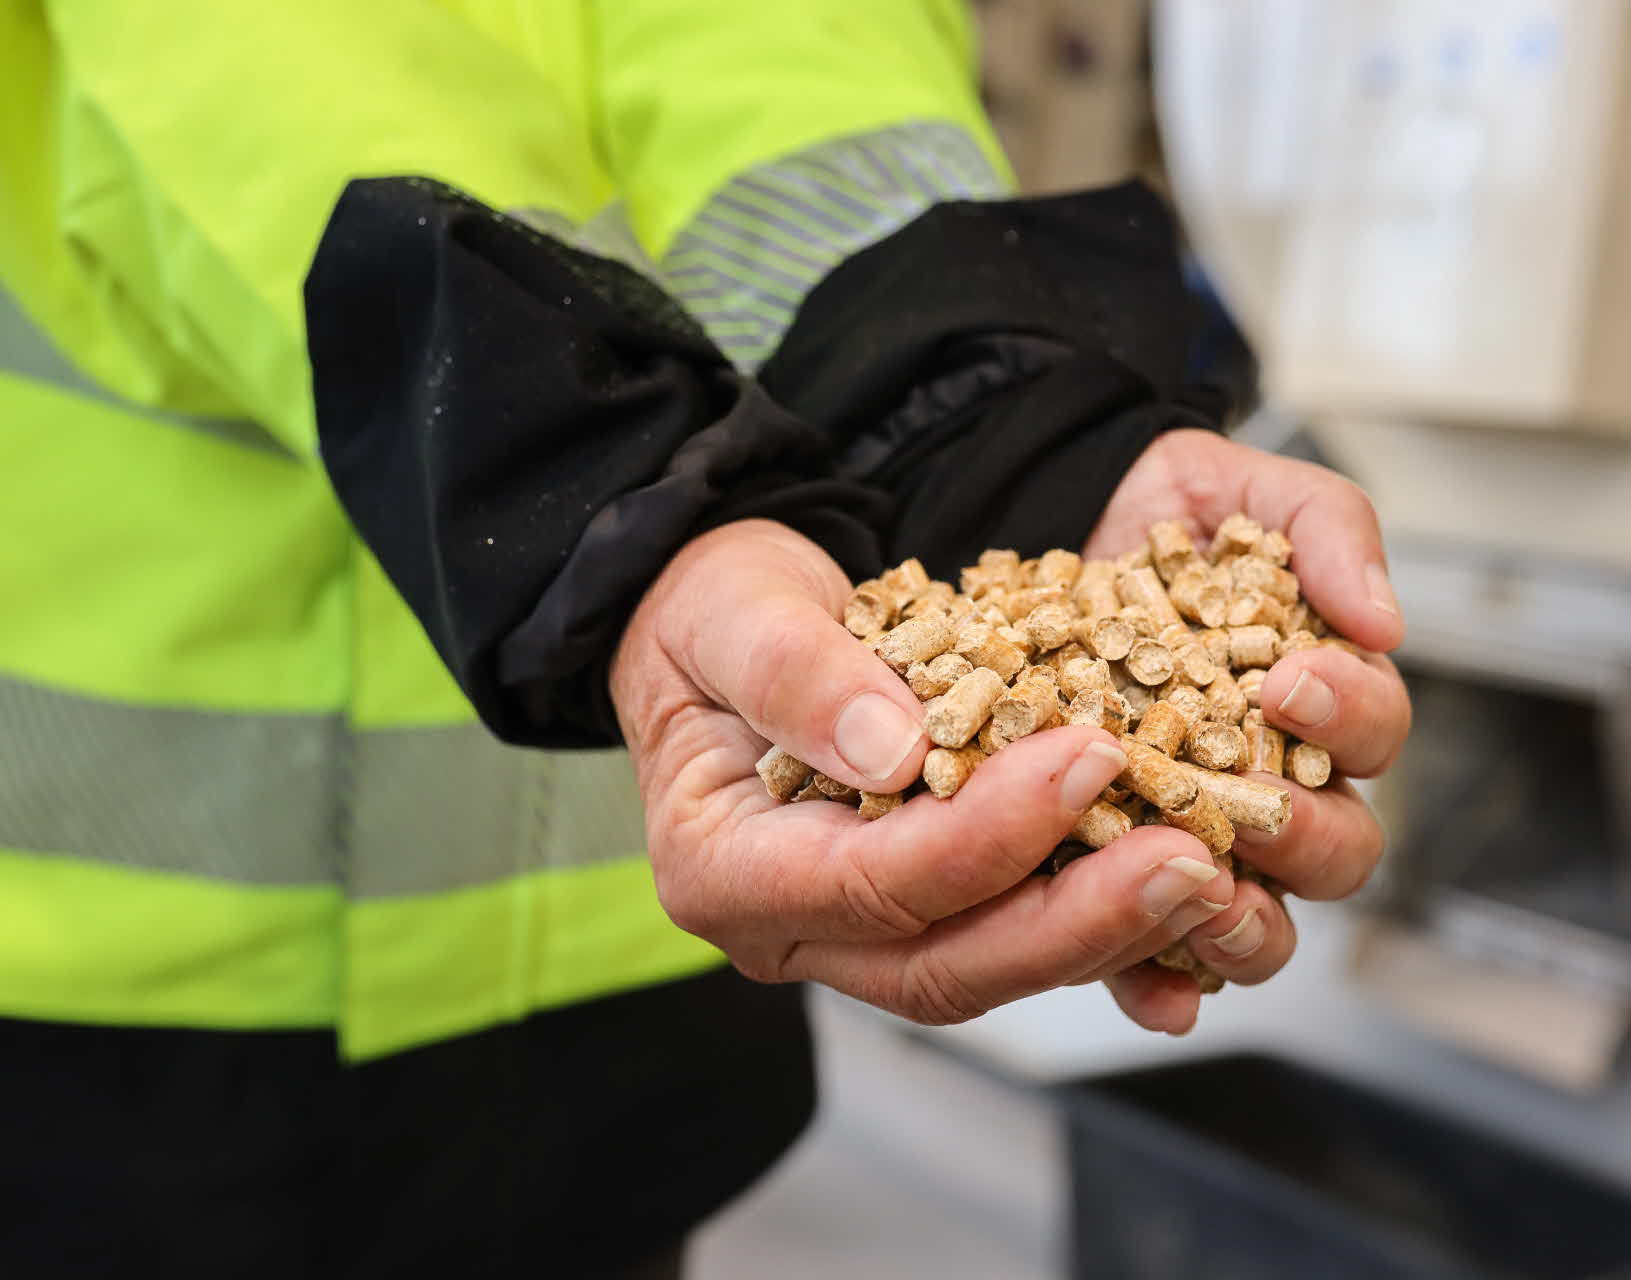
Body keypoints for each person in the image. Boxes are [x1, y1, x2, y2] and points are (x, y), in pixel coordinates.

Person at [0, 1, 1410, 1275]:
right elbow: (243, 85)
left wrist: (977, 416)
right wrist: (605, 484)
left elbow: (770, 47)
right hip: (129, 994)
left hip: (624, 961)